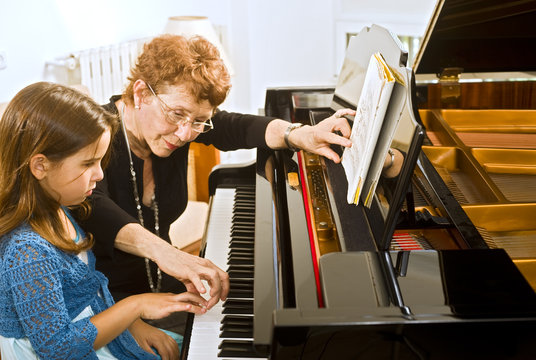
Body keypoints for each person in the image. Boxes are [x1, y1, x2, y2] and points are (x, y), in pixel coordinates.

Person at [78, 34, 356, 333]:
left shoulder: (178, 127)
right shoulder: (92, 138)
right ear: (142, 93)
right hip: (105, 307)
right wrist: (167, 261)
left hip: (163, 291)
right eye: (177, 114)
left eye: (199, 121)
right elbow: (94, 208)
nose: (185, 134)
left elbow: (235, 126)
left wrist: (298, 134)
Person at [0, 82, 207, 359]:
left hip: (94, 330)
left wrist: (132, 325)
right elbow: (58, 349)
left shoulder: (62, 209)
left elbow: (86, 295)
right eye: (88, 164)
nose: (99, 176)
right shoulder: (28, 251)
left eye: (101, 162)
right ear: (40, 166)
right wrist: (136, 307)